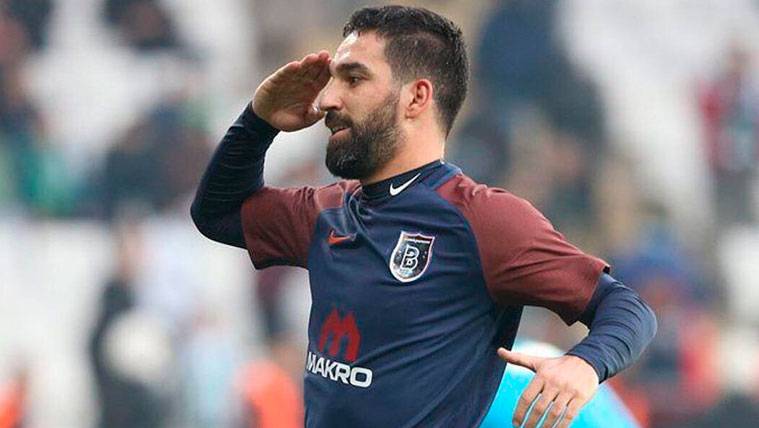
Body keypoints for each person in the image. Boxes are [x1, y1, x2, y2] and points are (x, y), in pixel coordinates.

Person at [191, 5, 657, 427]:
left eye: (353, 79)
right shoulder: (328, 210)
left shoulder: (483, 220)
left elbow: (626, 309)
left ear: (416, 98)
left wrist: (584, 363)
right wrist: (258, 121)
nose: (328, 98)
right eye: (333, 79)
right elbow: (219, 213)